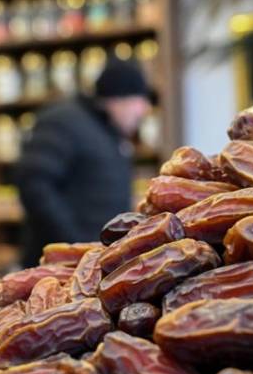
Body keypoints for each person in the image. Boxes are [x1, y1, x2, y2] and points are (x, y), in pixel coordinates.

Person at [17, 58, 155, 266]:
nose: (144, 109)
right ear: (119, 99)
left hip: (92, 264)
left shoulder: (110, 132)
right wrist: (74, 243)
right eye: (140, 100)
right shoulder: (62, 122)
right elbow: (34, 184)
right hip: (58, 267)